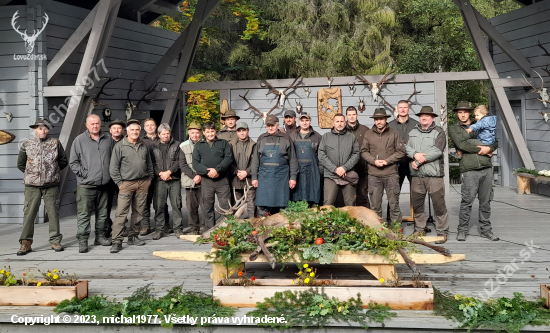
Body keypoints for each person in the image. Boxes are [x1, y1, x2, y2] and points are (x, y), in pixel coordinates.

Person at [449, 101, 499, 241]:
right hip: (469, 169)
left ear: (470, 112)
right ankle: (462, 230)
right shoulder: (455, 128)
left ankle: (486, 230)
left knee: (486, 202)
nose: (463, 114)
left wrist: (490, 148)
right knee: (467, 201)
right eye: (460, 112)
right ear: (457, 114)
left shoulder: (482, 123)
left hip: (486, 168)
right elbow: (461, 144)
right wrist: (483, 149)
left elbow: (494, 141)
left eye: (465, 111)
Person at [17, 119, 68, 255]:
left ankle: (55, 241)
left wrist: (52, 173)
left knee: (53, 213)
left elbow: (63, 161)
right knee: (29, 214)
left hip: (51, 185)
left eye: (45, 128)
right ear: (35, 130)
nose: (42, 131)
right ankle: (26, 243)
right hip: (32, 186)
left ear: (48, 130)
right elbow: (21, 164)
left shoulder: (55, 143)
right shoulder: (26, 144)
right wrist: (33, 174)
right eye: (39, 128)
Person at [70, 114, 114, 253]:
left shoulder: (108, 139)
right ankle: (83, 240)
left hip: (105, 184)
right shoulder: (79, 140)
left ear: (100, 124)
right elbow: (73, 162)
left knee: (102, 214)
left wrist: (109, 175)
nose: (95, 126)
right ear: (87, 125)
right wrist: (86, 174)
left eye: (97, 123)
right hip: (86, 185)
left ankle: (100, 237)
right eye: (92, 124)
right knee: (84, 214)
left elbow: (114, 159)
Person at [109, 119, 154, 253]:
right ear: (127, 131)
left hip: (142, 183)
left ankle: (133, 235)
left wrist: (149, 179)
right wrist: (119, 183)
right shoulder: (120, 146)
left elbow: (149, 164)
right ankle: (117, 240)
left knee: (139, 212)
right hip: (126, 184)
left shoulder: (143, 145)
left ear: (140, 131)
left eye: (137, 130)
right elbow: (113, 167)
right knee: (121, 212)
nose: (135, 132)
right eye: (132, 130)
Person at [405, 106, 449, 243]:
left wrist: (418, 161)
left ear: (433, 118)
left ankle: (442, 231)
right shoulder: (412, 132)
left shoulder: (439, 132)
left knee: (438, 203)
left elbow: (437, 151)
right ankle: (419, 228)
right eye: (422, 116)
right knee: (417, 204)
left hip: (434, 175)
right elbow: (405, 147)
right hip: (417, 176)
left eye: (427, 116)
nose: (424, 118)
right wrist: (414, 154)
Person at [361, 108, 406, 224]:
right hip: (374, 175)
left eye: (381, 119)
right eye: (376, 119)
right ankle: (378, 230)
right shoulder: (368, 134)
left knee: (394, 205)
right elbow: (364, 151)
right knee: (375, 206)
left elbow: (401, 151)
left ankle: (396, 230)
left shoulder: (394, 133)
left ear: (386, 119)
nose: (379, 122)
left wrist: (387, 161)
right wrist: (373, 161)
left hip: (391, 174)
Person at [251, 115, 298, 215]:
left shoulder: (286, 139)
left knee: (281, 206)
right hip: (264, 178)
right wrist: (254, 177)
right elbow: (255, 160)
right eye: (268, 126)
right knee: (263, 206)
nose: (270, 128)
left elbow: (293, 160)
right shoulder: (261, 138)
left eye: (272, 125)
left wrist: (293, 177)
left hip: (281, 178)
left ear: (278, 125)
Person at [192, 122, 233, 228]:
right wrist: (207, 171)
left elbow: (228, 158)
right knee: (207, 206)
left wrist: (217, 170)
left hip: (222, 180)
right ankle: (210, 229)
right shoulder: (199, 145)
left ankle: (227, 228)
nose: (210, 134)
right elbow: (196, 163)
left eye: (212, 131)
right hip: (206, 181)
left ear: (215, 131)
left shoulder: (223, 143)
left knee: (225, 205)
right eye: (207, 132)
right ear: (204, 133)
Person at [150, 124, 184, 239]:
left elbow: (179, 161)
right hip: (159, 180)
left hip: (174, 179)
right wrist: (161, 173)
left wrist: (169, 172)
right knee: (159, 205)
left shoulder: (177, 145)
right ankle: (159, 229)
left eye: (168, 133)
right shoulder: (153, 146)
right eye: (163, 133)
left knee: (176, 204)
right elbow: (151, 163)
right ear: (159, 135)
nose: (166, 135)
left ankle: (178, 228)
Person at [387, 100, 420, 221]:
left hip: (413, 163)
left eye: (405, 107)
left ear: (408, 109)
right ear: (397, 109)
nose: (402, 109)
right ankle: (392, 221)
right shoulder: (390, 125)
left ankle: (419, 221)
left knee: (417, 193)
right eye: (400, 107)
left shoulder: (416, 124)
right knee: (393, 194)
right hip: (396, 165)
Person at [318, 114, 360, 206]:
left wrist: (345, 168)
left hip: (347, 175)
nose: (339, 124)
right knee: (328, 204)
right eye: (337, 121)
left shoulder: (351, 137)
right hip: (331, 175)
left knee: (350, 204)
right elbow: (321, 155)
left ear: (345, 123)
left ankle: (350, 221)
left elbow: (356, 154)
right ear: (333, 123)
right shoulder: (326, 137)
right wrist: (335, 169)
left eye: (341, 121)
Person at [98, 119, 126, 238]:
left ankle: (121, 227)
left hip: (123, 178)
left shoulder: (126, 141)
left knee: (123, 205)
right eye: (114, 128)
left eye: (119, 128)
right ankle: (106, 228)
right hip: (108, 179)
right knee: (106, 205)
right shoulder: (104, 142)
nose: (116, 130)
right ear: (110, 130)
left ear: (123, 130)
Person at [141, 118, 169, 236]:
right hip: (146, 176)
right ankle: (145, 225)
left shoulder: (162, 137)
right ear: (144, 127)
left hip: (160, 176)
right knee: (145, 202)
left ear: (156, 126)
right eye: (147, 125)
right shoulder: (141, 140)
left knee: (161, 201)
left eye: (152, 125)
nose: (150, 127)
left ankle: (164, 224)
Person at [289, 113, 322, 205]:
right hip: (297, 172)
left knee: (313, 197)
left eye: (306, 120)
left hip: (313, 172)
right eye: (302, 120)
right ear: (298, 122)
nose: (304, 123)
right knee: (296, 199)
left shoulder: (317, 136)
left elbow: (321, 156)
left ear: (310, 121)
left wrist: (320, 172)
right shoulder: (291, 136)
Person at [229, 122, 257, 218]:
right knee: (235, 206)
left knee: (251, 205)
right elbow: (228, 161)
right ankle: (234, 227)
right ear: (237, 132)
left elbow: (256, 162)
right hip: (235, 180)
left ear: (247, 131)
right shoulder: (230, 145)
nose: (242, 133)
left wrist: (247, 172)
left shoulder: (254, 145)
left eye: (244, 130)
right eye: (239, 131)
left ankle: (252, 224)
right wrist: (237, 172)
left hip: (249, 180)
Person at [180, 122, 203, 235]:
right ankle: (194, 229)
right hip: (189, 181)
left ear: (200, 133)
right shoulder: (182, 146)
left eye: (197, 133)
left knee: (206, 206)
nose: (195, 135)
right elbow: (182, 164)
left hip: (204, 181)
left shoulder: (205, 144)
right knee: (191, 207)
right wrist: (194, 176)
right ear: (189, 133)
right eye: (192, 132)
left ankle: (208, 227)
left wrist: (200, 175)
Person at [346, 106, 370, 208]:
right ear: (346, 116)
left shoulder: (365, 130)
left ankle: (367, 220)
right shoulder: (342, 130)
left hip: (362, 169)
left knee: (363, 195)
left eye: (353, 114)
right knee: (349, 197)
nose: (351, 117)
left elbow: (371, 147)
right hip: (347, 169)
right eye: (349, 115)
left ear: (357, 115)